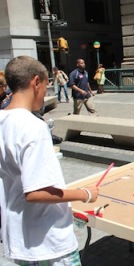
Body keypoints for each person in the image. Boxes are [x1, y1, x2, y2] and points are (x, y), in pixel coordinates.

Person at [0, 55, 100, 265]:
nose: (46, 94)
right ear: (35, 82)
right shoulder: (33, 126)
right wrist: (85, 193)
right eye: (46, 87)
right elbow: (35, 192)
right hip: (48, 242)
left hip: (20, 237)